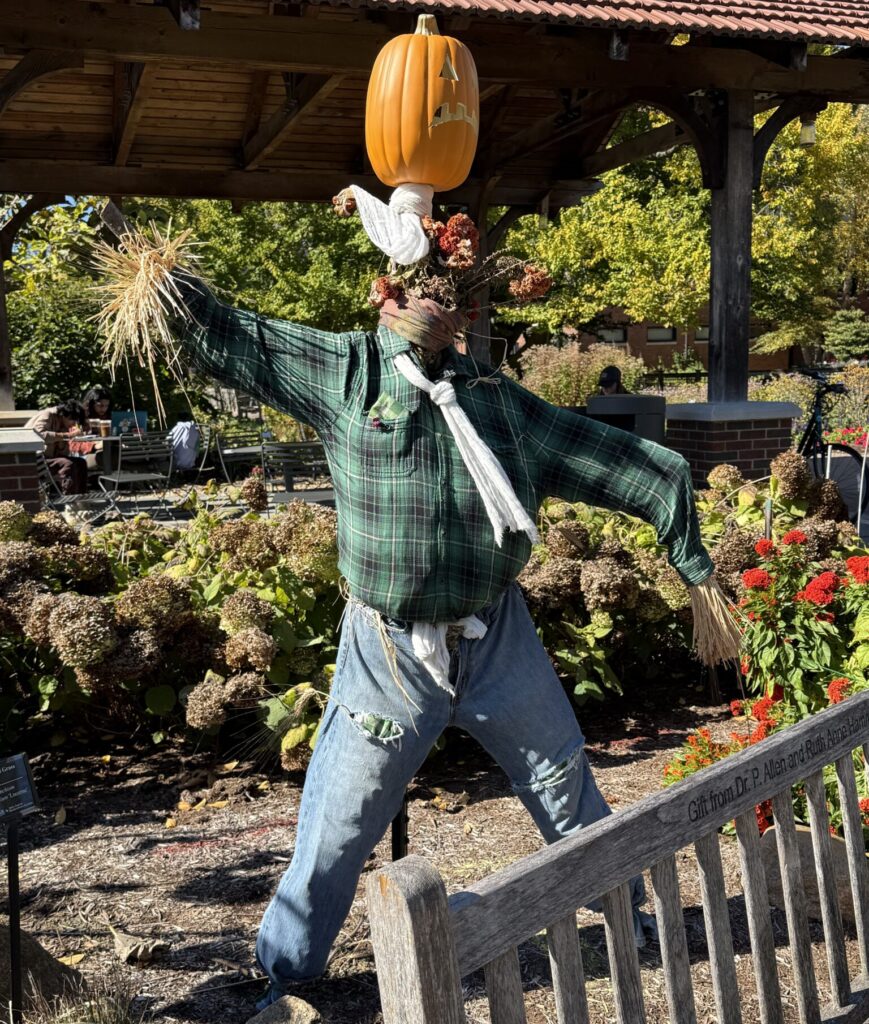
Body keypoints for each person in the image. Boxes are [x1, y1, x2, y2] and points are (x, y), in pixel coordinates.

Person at [169, 273, 715, 1009]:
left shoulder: (497, 399)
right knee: (340, 818)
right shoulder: (345, 371)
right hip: (388, 651)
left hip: (497, 637)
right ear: (378, 293)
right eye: (413, 285)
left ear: (467, 309)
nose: (429, 302)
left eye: (447, 289)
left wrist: (693, 565)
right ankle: (287, 976)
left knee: (561, 783)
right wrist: (155, 276)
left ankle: (624, 916)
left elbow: (631, 467)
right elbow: (233, 332)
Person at [26, 400, 88, 494]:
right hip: (35, 459)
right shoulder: (47, 415)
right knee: (68, 463)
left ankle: (80, 498)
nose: (74, 424)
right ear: (64, 415)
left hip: (50, 459)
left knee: (81, 462)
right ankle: (69, 500)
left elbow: (63, 452)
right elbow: (39, 434)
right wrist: (67, 435)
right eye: (73, 420)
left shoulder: (63, 423)